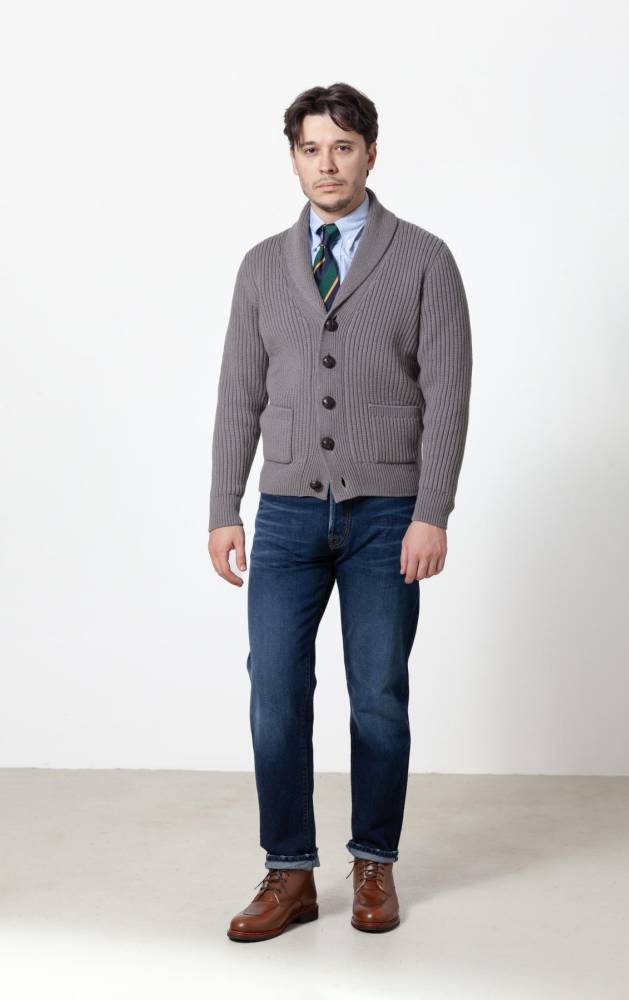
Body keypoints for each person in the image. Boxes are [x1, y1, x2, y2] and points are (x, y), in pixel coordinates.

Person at [208, 82, 473, 942]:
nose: (326, 164)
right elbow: (239, 394)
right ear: (293, 157)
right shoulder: (261, 266)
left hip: (387, 514)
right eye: (310, 149)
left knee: (378, 695)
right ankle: (289, 873)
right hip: (285, 513)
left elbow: (448, 395)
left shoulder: (425, 258)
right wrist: (222, 505)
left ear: (370, 153)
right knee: (275, 693)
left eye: (342, 148)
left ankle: (373, 864)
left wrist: (431, 510)